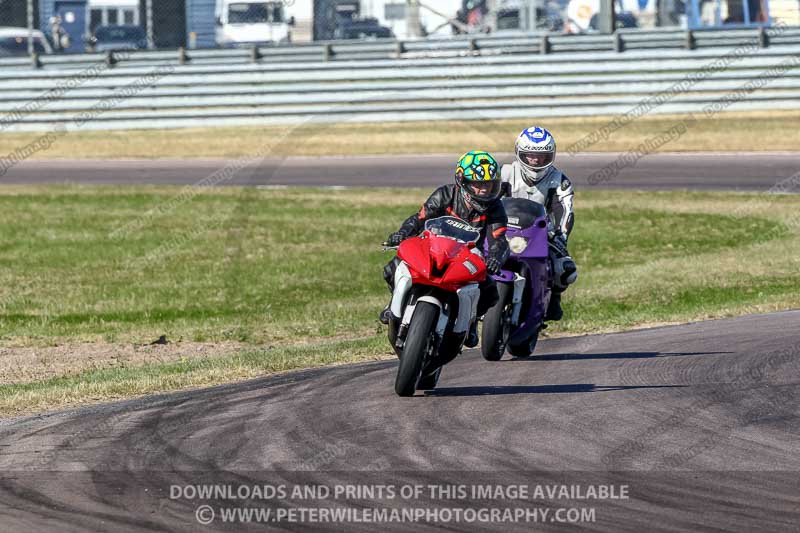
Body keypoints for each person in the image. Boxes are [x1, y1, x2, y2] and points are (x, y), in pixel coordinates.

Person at [380, 150, 510, 348]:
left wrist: (494, 258)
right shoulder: (445, 194)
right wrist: (402, 233)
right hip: (434, 248)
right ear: (462, 181)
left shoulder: (496, 207)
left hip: (466, 256)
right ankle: (394, 305)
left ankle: (471, 322)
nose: (484, 190)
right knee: (393, 267)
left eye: (489, 184)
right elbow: (419, 219)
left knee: (490, 290)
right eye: (478, 184)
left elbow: (499, 239)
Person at [501, 126, 577, 321]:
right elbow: (489, 201)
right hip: (503, 229)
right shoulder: (505, 173)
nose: (536, 160)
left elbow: (565, 211)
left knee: (566, 269)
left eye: (542, 157)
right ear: (520, 153)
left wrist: (561, 236)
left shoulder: (559, 180)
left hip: (540, 233)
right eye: (531, 156)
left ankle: (554, 299)